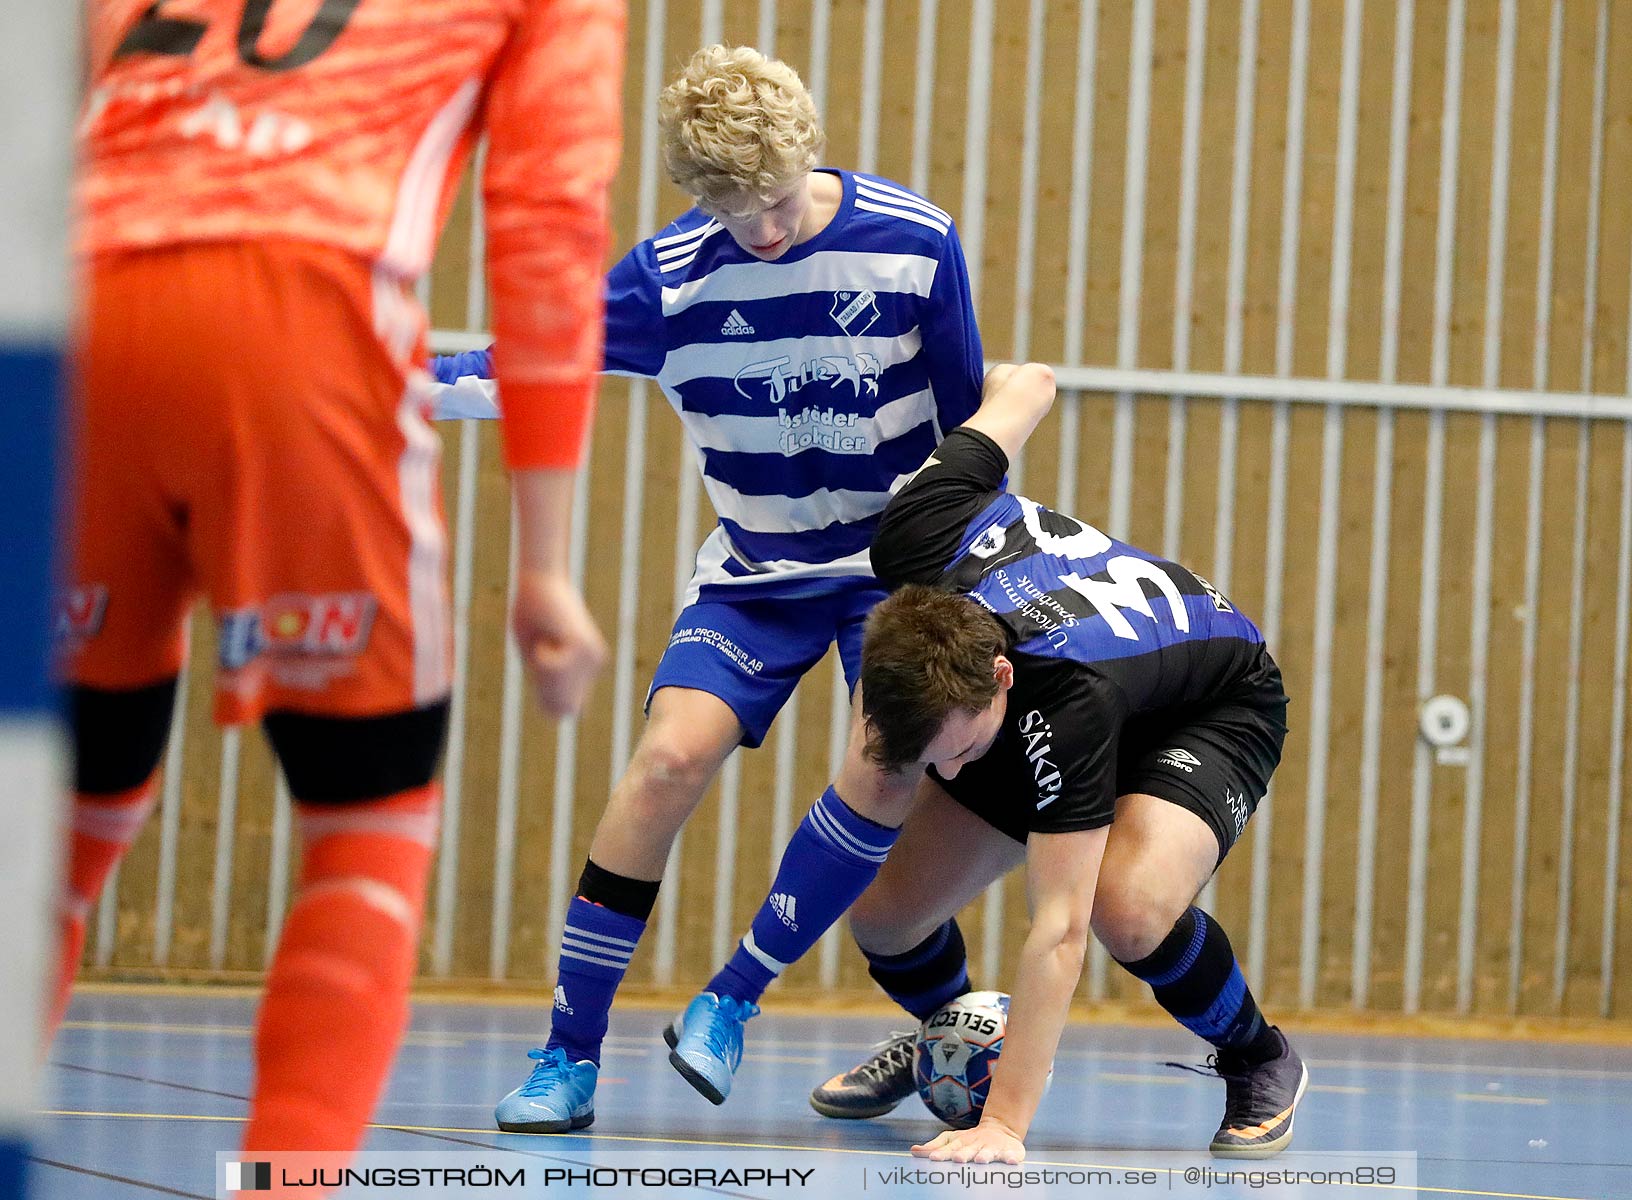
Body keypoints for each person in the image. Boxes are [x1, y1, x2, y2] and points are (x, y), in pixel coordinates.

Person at [58, 0, 622, 1171]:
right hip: (304, 323)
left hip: (81, 312)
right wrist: (547, 564)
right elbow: (548, 222)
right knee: (367, 834)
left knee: (55, 832)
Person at [433, 44, 985, 1132]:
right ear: (695, 194)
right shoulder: (671, 276)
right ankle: (568, 1057)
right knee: (664, 764)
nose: (766, 232)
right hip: (756, 576)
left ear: (809, 156)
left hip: (892, 573)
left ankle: (731, 998)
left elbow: (971, 420)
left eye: (778, 202)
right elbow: (521, 367)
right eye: (736, 213)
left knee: (888, 766)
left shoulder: (916, 243)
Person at [789, 363, 1308, 1162]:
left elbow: (1059, 931)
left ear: (996, 679)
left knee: (1125, 907)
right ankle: (954, 1039)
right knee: (886, 915)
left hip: (1205, 705)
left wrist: (1003, 1127)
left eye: (956, 751)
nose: (951, 777)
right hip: (1051, 689)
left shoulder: (1066, 702)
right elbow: (1028, 382)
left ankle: (1259, 1054)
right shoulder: (912, 532)